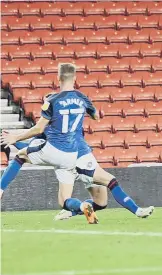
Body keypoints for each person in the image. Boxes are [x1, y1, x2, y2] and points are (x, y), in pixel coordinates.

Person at [10, 94, 154, 221]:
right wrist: (14, 141)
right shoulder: (51, 128)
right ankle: (137, 211)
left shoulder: (62, 125)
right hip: (79, 160)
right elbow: (31, 144)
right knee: (111, 181)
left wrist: (14, 141)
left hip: (80, 159)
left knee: (100, 203)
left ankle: (71, 211)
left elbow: (29, 145)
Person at [0, 63, 98, 224]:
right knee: (64, 201)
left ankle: (1, 188)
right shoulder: (81, 98)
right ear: (75, 78)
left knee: (20, 156)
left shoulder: (51, 108)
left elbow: (37, 130)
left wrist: (14, 138)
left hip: (55, 150)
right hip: (70, 156)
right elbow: (96, 116)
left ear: (58, 78)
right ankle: (83, 206)